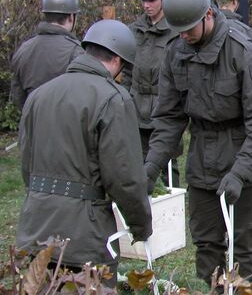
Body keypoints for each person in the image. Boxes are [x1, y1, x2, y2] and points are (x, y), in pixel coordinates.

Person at [143, 0, 252, 284]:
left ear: (207, 15)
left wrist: (240, 173)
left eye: (189, 29)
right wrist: (150, 168)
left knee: (243, 242)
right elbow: (168, 118)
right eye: (178, 29)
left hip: (246, 156)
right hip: (202, 159)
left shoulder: (244, 52)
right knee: (206, 243)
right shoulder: (175, 51)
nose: (183, 36)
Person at [16, 19, 153, 287]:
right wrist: (141, 225)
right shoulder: (114, 98)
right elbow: (124, 177)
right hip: (85, 236)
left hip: (34, 227)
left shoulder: (39, 95)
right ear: (116, 59)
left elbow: (25, 162)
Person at [122, 0, 181, 187]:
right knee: (139, 160)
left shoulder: (176, 32)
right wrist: (125, 100)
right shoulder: (133, 31)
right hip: (137, 105)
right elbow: (127, 71)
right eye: (143, 0)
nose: (147, 5)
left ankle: (171, 204)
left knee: (167, 161)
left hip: (164, 106)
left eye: (152, 0)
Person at [11, 0, 84, 110]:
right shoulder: (76, 51)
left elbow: (17, 96)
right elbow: (84, 98)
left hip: (31, 124)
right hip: (65, 126)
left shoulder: (24, 49)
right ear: (71, 17)